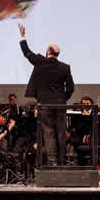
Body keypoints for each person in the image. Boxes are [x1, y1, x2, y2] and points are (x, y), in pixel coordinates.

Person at [18, 22, 74, 166]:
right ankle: (62, 162)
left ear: (48, 52)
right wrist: (62, 98)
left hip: (45, 105)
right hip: (60, 105)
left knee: (48, 133)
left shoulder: (40, 62)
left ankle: (53, 162)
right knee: (61, 133)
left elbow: (27, 53)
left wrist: (23, 36)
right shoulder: (65, 67)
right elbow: (71, 88)